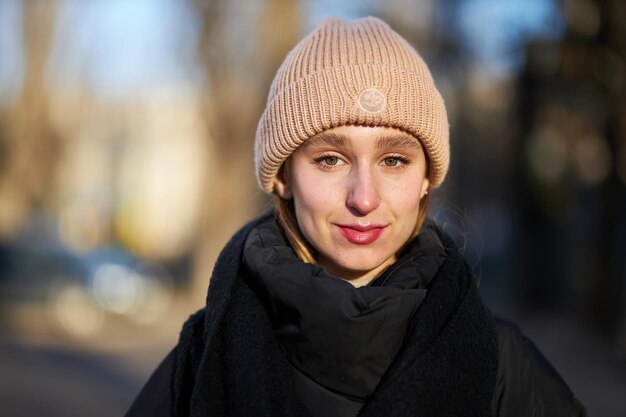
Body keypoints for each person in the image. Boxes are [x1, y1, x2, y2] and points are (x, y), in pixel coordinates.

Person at [126, 17, 586, 417]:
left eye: (394, 161)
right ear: (283, 176)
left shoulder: (503, 366)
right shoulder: (201, 362)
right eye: (330, 159)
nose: (364, 199)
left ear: (428, 177)